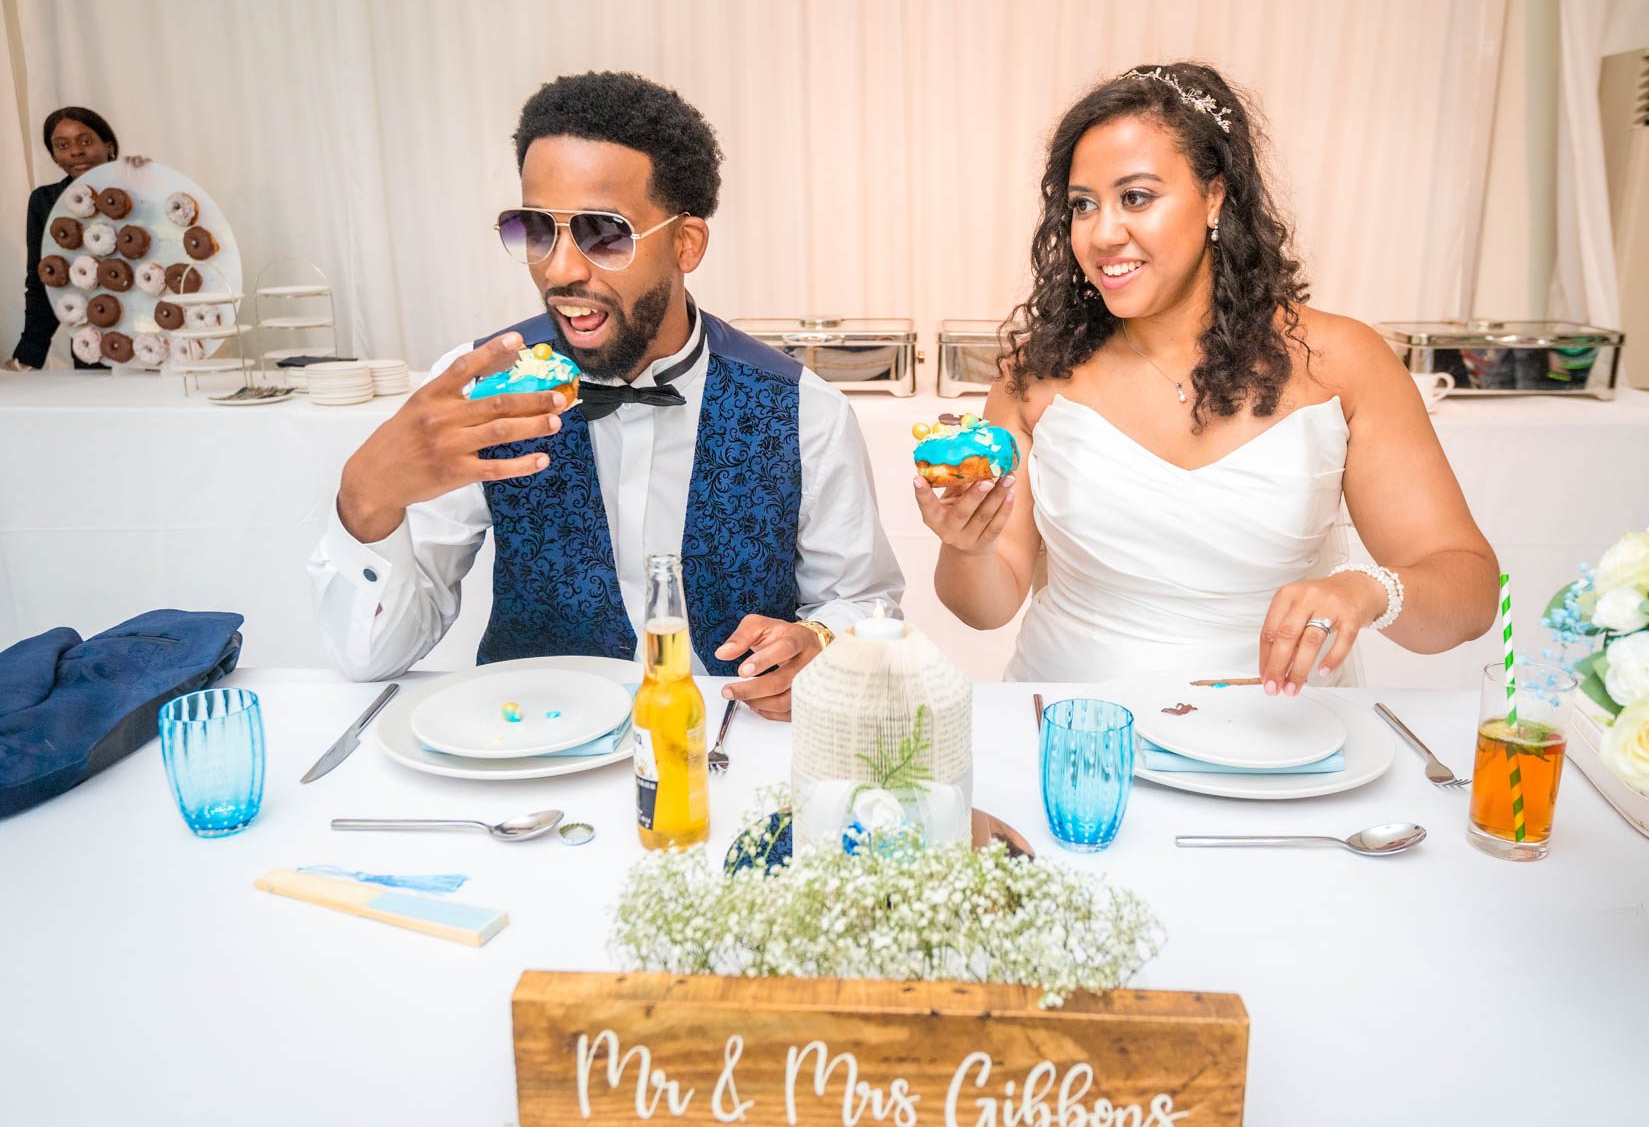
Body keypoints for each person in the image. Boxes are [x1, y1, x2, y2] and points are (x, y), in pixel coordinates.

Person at [309, 72, 901, 720]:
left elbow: (863, 603)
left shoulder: (805, 409)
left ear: (685, 243)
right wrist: (365, 499)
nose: (560, 269)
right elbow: (371, 659)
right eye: (537, 229)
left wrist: (820, 641)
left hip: (727, 743)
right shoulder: (478, 391)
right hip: (526, 745)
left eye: (604, 233)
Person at [915, 62, 1498, 691]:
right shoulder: (1037, 374)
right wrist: (967, 546)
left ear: (1214, 197)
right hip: (1073, 727)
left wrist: (1369, 589)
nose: (1103, 233)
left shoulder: (1343, 361)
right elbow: (985, 607)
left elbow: (1468, 593)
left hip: (1280, 733)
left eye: (1136, 197)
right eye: (1083, 205)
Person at [6, 107, 123, 372]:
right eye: (62, 145)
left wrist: (148, 176)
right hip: (90, 344)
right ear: (54, 157)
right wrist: (28, 355)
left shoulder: (137, 191)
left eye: (86, 141)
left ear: (109, 146)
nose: (75, 151)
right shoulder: (46, 201)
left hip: (154, 334)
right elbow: (42, 282)